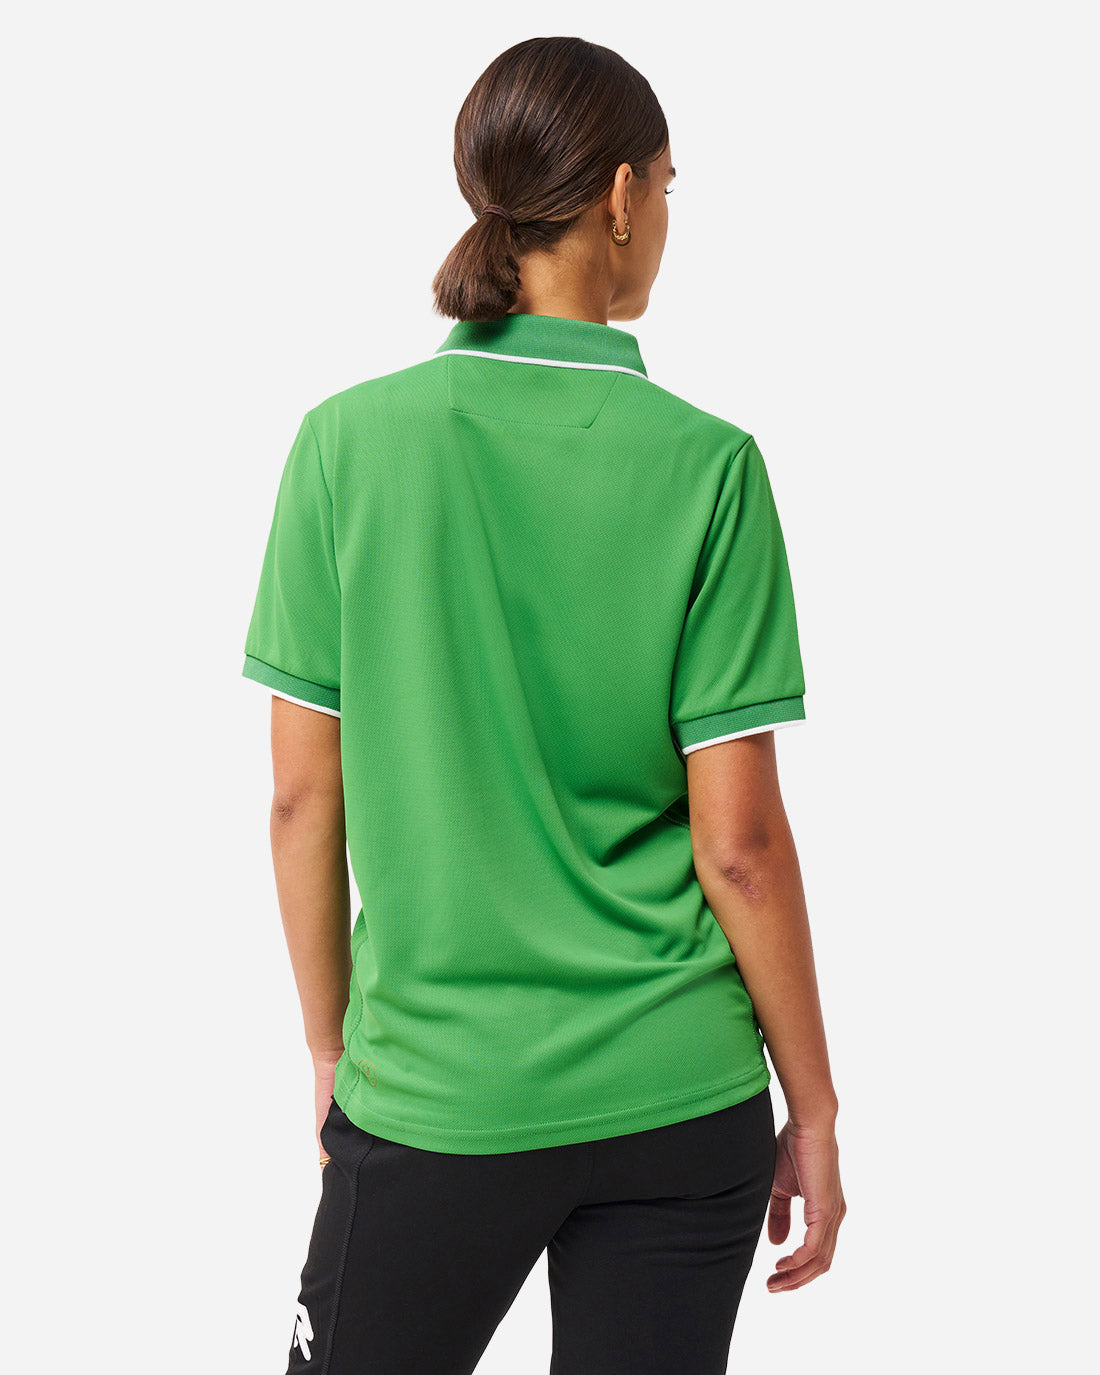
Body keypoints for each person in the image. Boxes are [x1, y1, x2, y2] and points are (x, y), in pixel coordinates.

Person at [241, 34, 844, 1375]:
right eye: (670, 189)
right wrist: (812, 1108)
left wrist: (332, 1049)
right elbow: (741, 848)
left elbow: (300, 799)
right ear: (622, 197)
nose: (667, 220)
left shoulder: (345, 445)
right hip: (677, 1094)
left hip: (438, 1087)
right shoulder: (711, 468)